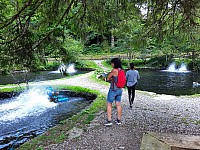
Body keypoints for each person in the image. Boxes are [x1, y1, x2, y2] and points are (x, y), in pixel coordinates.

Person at [104, 58, 123, 126]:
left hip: (113, 90)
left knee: (109, 104)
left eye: (112, 63)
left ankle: (109, 121)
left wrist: (107, 78)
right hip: (120, 90)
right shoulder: (121, 70)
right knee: (118, 104)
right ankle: (119, 120)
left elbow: (108, 78)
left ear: (114, 63)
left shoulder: (114, 70)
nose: (111, 64)